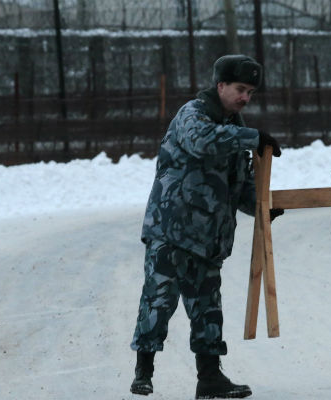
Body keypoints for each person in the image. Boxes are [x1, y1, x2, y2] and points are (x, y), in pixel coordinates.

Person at [129, 54, 283, 399]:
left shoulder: (234, 129)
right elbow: (202, 141)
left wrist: (262, 206)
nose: (245, 97)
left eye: (251, 93)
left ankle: (210, 379)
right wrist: (251, 136)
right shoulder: (193, 114)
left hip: (208, 239)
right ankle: (144, 370)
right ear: (220, 85)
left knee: (208, 310)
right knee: (158, 301)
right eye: (240, 89)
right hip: (171, 231)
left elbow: (239, 185)